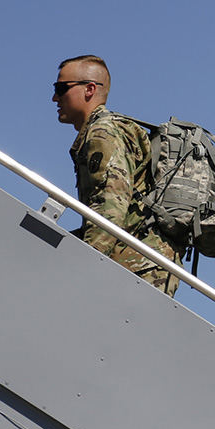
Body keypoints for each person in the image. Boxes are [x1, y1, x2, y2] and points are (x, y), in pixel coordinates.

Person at [52, 55, 183, 296]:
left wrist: (82, 267)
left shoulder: (102, 133)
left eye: (61, 88)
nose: (55, 98)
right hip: (144, 264)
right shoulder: (110, 128)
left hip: (136, 269)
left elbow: (110, 208)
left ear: (89, 89)